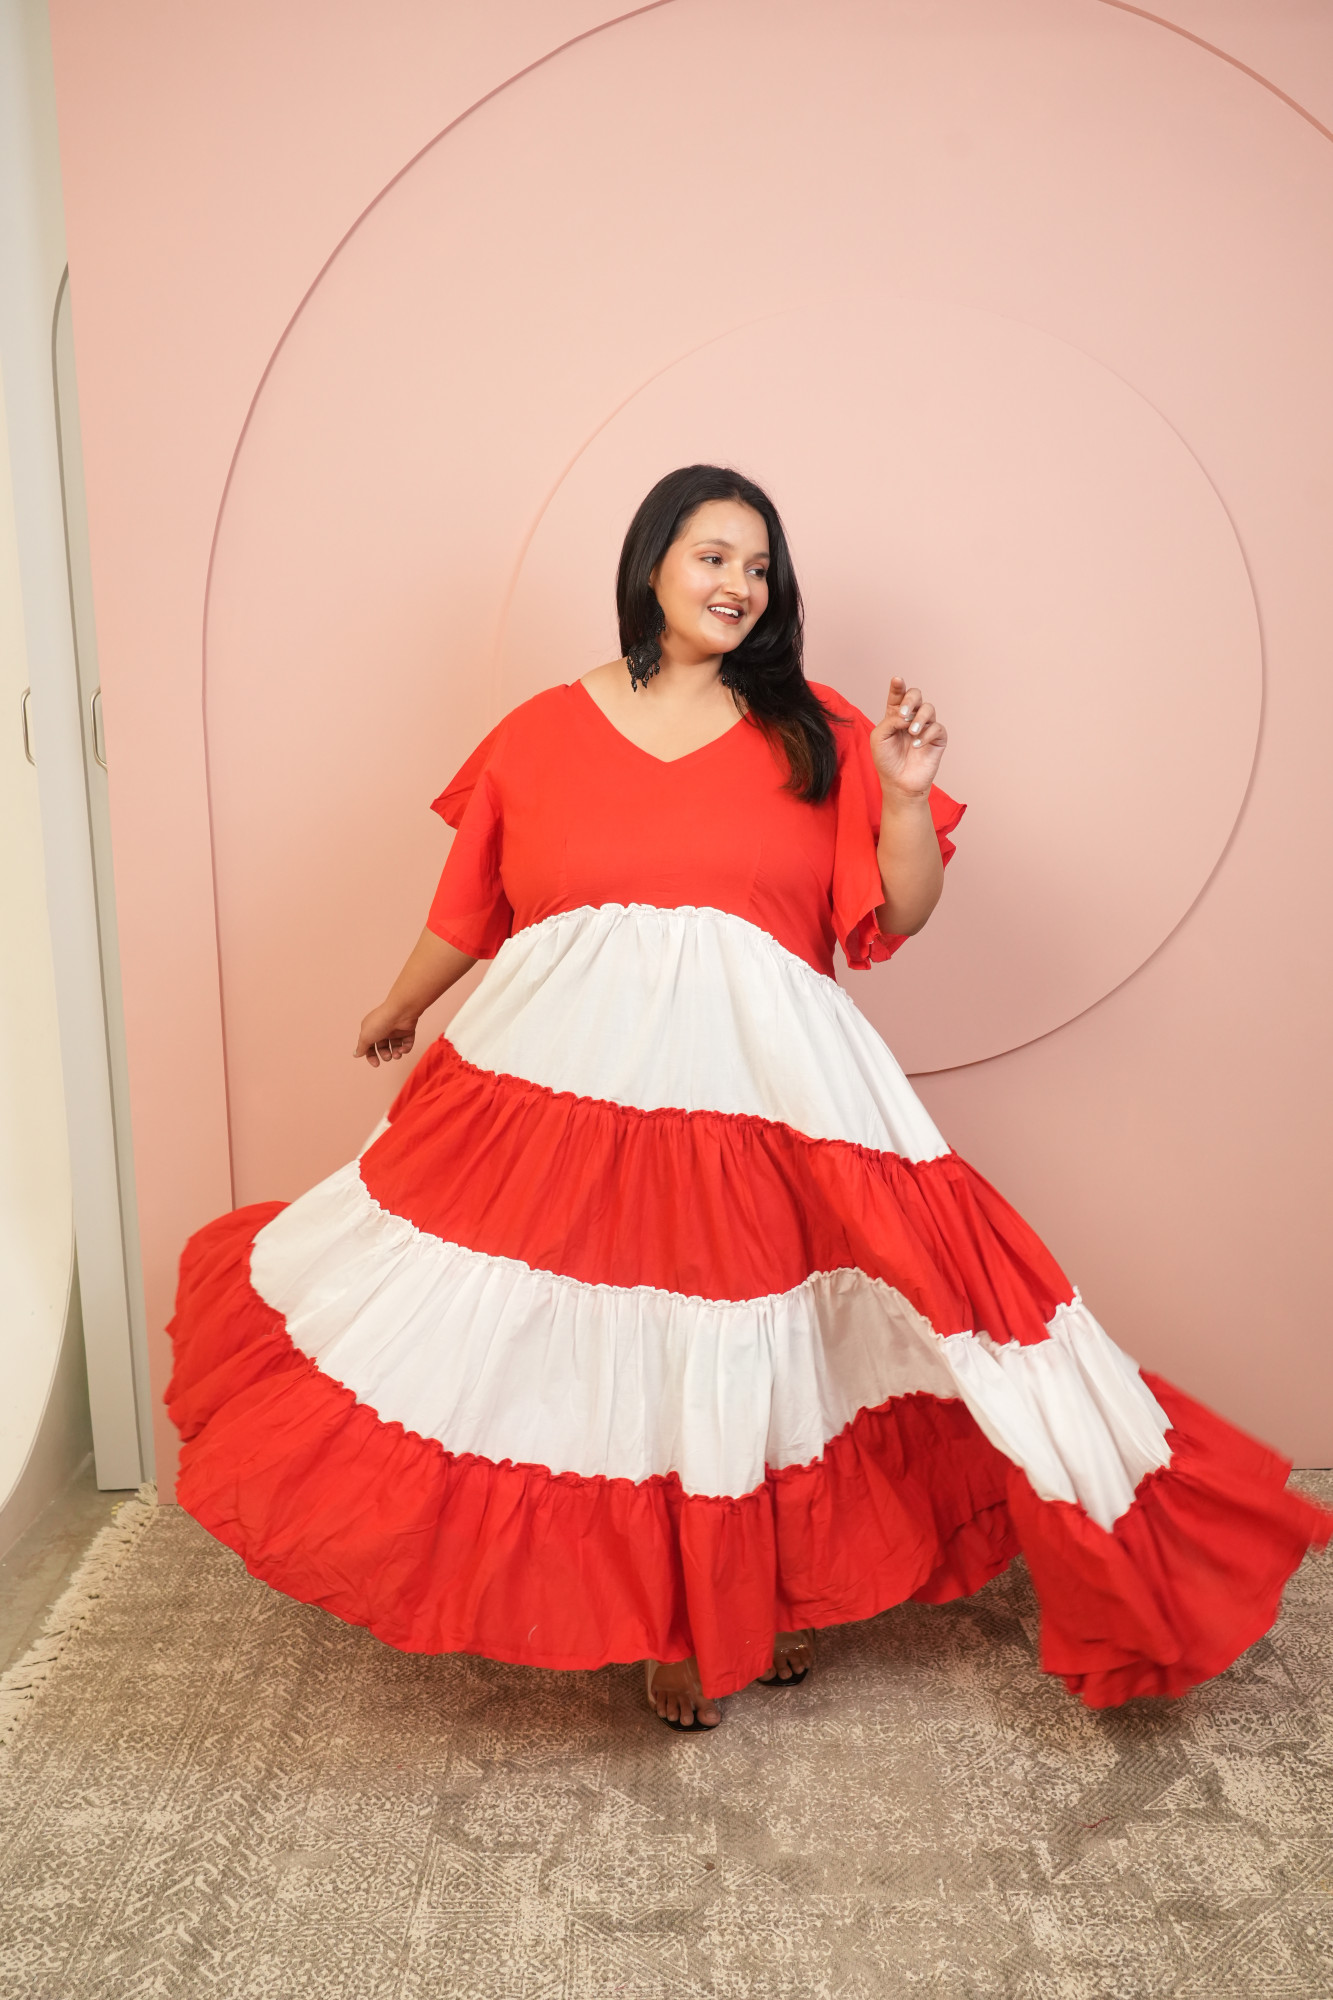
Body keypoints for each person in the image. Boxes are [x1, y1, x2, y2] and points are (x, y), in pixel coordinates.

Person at [169, 464, 1330, 1732]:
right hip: (571, 1091)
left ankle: (741, 1599)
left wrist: (898, 790)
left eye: (759, 566)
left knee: (757, 1341)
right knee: (616, 1345)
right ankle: (673, 1621)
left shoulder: (814, 730)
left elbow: (899, 909)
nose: (738, 582)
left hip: (765, 1095)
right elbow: (472, 903)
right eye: (714, 554)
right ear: (653, 563)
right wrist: (401, 1002)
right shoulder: (539, 730)